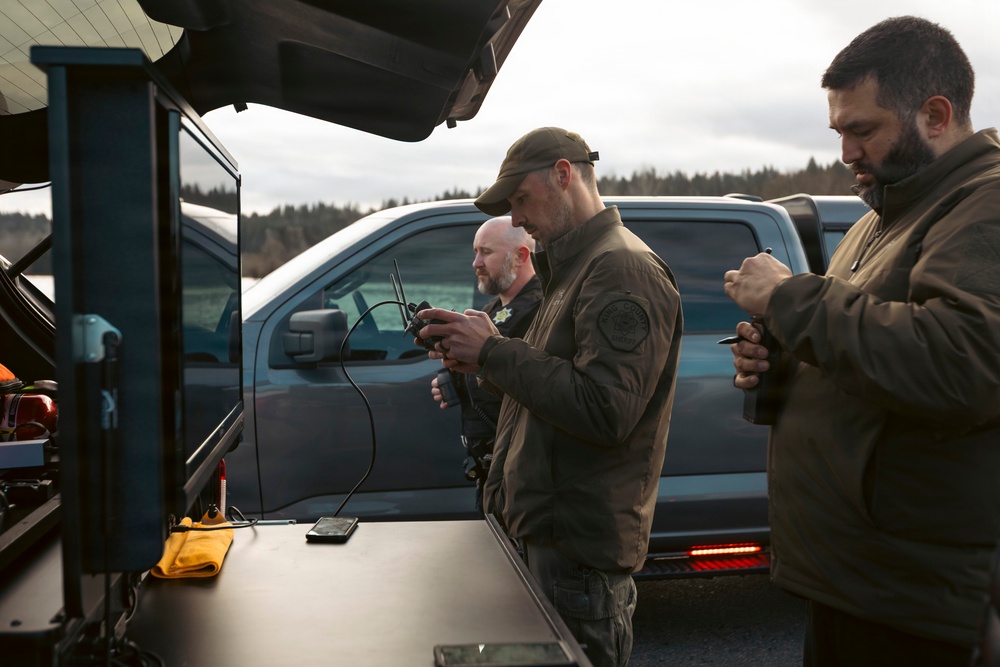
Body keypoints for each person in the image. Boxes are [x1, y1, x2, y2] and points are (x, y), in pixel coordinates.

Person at [722, 16, 1000, 666]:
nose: (845, 151)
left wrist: (791, 298)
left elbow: (962, 364)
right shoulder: (885, 216)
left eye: (862, 129)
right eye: (839, 131)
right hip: (853, 575)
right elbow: (861, 346)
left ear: (935, 115)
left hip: (908, 594)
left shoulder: (984, 207)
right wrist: (777, 357)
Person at [414, 127, 683, 667]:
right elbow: (554, 387)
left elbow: (606, 410)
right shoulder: (575, 266)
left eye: (520, 200)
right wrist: (480, 364)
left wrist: (494, 353)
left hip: (576, 553)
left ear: (563, 176)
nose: (516, 218)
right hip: (549, 539)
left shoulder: (621, 267)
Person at [429, 216, 541, 515]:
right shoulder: (491, 310)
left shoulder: (541, 312)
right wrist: (452, 376)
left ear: (520, 256)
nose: (476, 262)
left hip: (523, 477)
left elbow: (537, 387)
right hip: (491, 468)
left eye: (486, 252)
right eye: (475, 252)